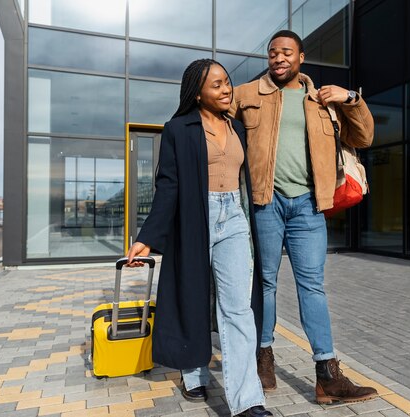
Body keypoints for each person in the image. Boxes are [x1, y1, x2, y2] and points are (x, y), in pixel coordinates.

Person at [229, 30, 378, 404]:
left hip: (309, 207)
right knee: (264, 281)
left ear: (301, 57)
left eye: (287, 52)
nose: (279, 58)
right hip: (267, 202)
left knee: (312, 286)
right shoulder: (248, 94)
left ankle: (326, 375)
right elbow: (215, 120)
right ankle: (263, 358)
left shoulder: (321, 100)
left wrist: (351, 98)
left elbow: (363, 138)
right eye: (273, 52)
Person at [125, 59, 272, 417]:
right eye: (217, 85)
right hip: (194, 216)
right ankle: (194, 372)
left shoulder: (237, 126)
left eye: (227, 82)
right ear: (198, 93)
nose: (226, 89)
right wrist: (148, 236)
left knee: (238, 308)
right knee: (192, 296)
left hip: (234, 216)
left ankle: (248, 401)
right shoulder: (178, 128)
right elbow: (168, 186)